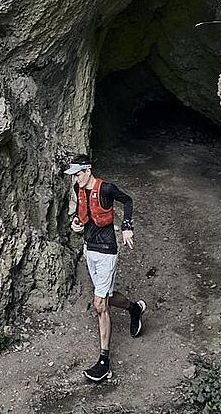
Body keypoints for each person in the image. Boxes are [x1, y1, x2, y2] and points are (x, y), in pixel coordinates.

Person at [64, 154, 146, 382]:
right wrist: (76, 224)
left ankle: (104, 362)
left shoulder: (107, 189)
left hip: (107, 251)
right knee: (107, 297)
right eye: (73, 176)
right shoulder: (78, 190)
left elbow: (127, 200)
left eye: (78, 174)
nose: (75, 179)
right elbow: (83, 217)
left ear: (88, 170)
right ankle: (134, 309)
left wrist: (127, 226)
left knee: (99, 303)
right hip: (90, 249)